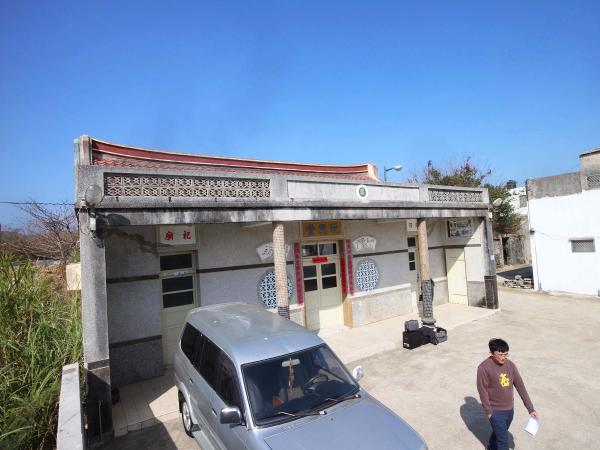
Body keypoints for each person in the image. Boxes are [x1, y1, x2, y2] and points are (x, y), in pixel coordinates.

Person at [476, 338, 539, 450]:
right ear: (491, 353)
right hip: (495, 411)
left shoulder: (510, 365)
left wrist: (530, 409)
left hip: (509, 410)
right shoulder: (483, 368)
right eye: (500, 354)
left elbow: (520, 387)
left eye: (506, 354)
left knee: (500, 433)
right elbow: (482, 391)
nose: (503, 358)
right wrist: (489, 411)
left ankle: (491, 447)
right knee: (503, 442)